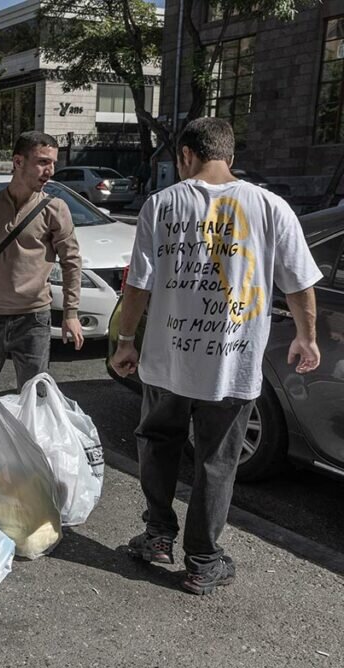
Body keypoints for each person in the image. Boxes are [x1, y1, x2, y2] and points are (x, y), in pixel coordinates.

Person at [110, 117, 321, 595]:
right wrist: (306, 337)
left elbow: (138, 283)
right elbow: (301, 282)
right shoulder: (271, 207)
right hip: (232, 363)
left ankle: (158, 536)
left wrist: (126, 340)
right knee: (216, 461)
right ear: (231, 156)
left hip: (167, 359)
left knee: (159, 441)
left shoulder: (161, 204)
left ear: (186, 155)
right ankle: (203, 561)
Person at [0, 131, 84, 394]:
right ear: (18, 162)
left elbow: (71, 262)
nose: (50, 171)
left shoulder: (56, 208)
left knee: (36, 399)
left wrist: (70, 313)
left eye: (53, 163)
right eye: (42, 162)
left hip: (34, 320)